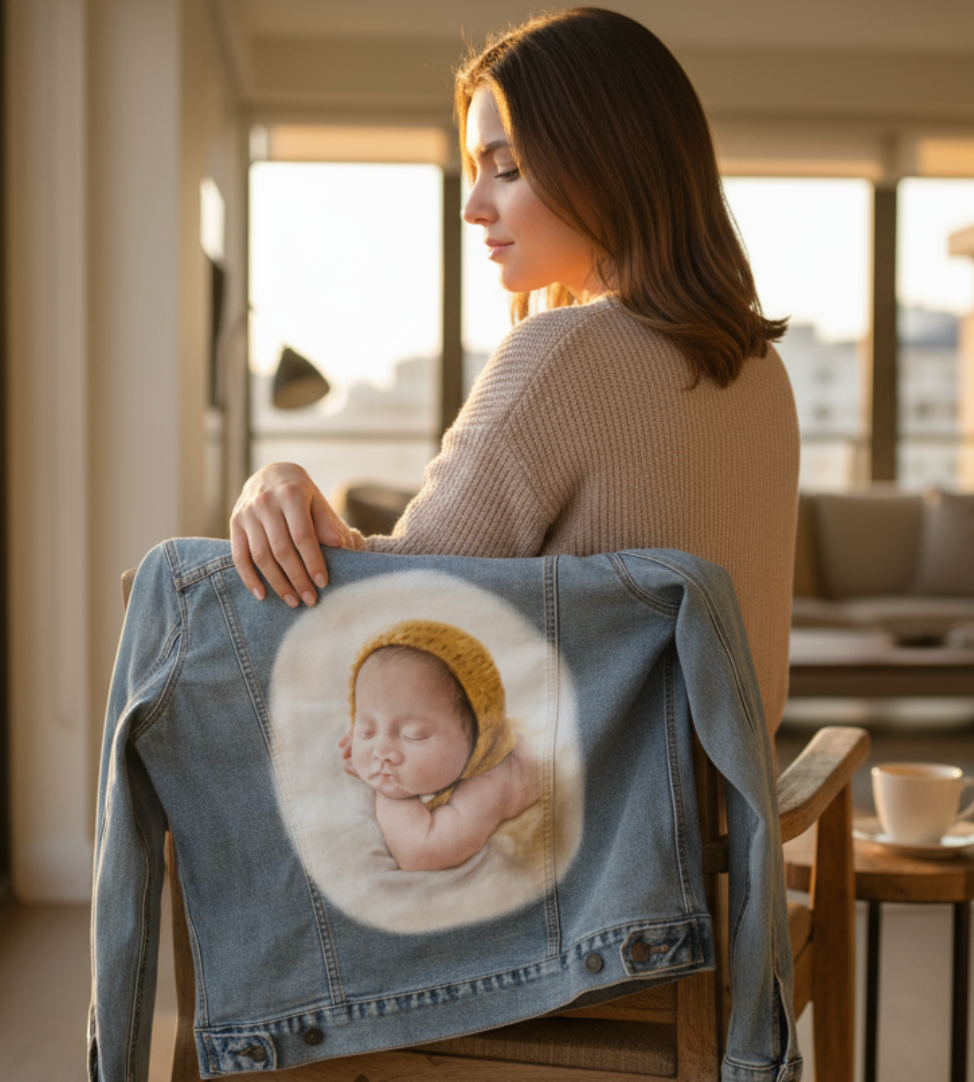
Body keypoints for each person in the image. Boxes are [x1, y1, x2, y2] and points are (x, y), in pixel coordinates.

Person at [231, 7, 800, 732]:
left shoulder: (564, 353)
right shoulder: (763, 370)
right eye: (476, 171)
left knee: (188, 621)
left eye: (506, 168)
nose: (473, 206)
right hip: (718, 804)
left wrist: (273, 482)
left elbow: (397, 609)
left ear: (606, 159)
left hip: (571, 825)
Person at [341, 620, 540, 872]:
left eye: (415, 735)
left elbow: (421, 852)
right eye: (366, 729)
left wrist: (389, 793)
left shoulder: (493, 781)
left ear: (479, 735)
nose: (382, 753)